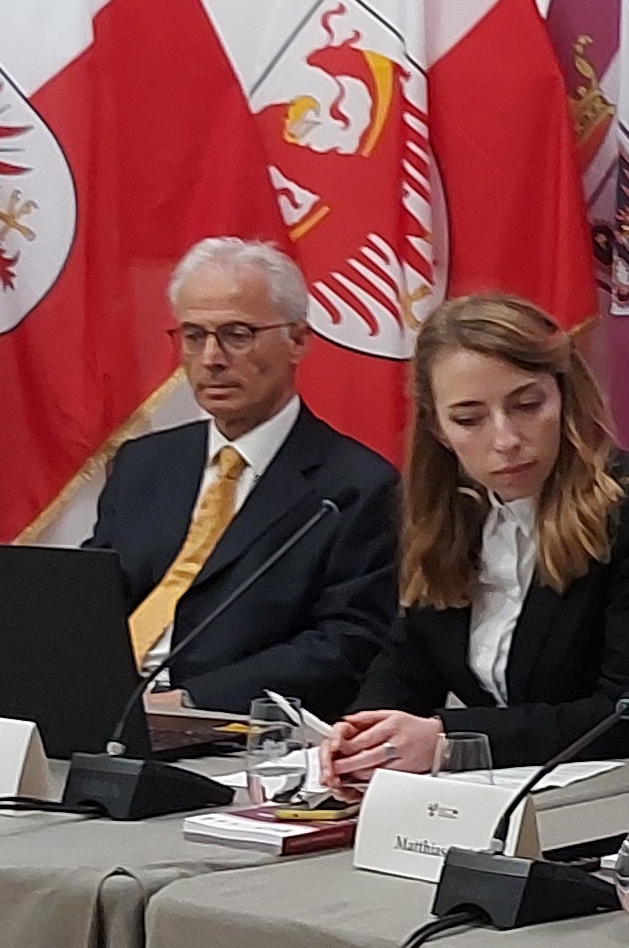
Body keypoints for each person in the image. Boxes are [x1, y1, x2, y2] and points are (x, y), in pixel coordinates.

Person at [329, 293, 629, 779]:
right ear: (438, 429)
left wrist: (447, 739)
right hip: (490, 793)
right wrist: (367, 737)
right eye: (469, 419)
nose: (505, 440)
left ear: (565, 395)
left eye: (527, 405)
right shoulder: (447, 512)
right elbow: (408, 660)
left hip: (608, 795)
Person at [87, 236, 400, 716]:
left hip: (233, 731)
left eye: (237, 334)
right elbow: (92, 598)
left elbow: (345, 646)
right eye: (193, 336)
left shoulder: (357, 487)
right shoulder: (142, 465)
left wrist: (186, 703)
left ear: (297, 341)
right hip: (101, 710)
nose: (211, 359)